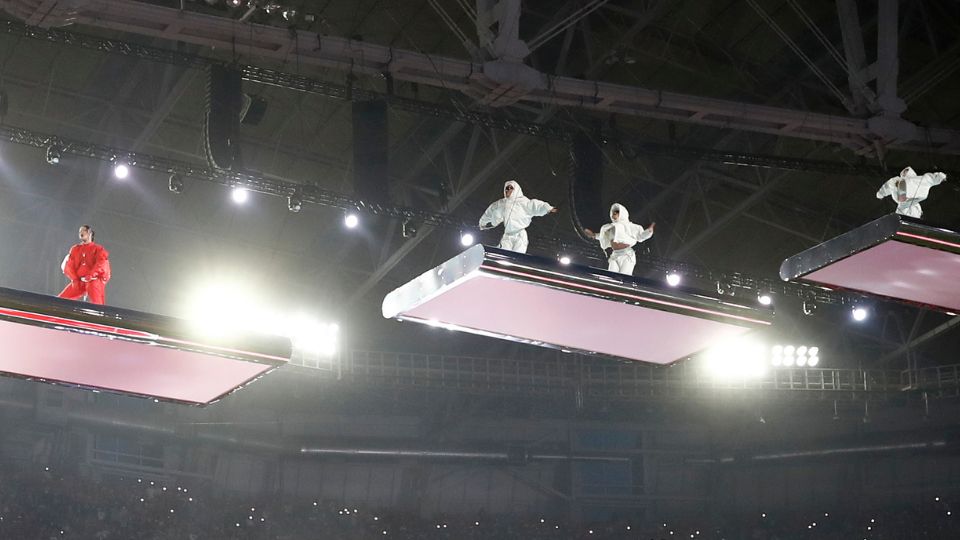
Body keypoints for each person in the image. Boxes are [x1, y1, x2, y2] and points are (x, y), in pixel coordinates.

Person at [478, 180, 557, 253]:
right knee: (504, 255)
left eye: (511, 188)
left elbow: (536, 205)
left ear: (516, 189)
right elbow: (489, 211)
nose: (508, 190)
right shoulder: (501, 203)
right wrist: (482, 223)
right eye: (507, 188)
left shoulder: (523, 201)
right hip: (507, 235)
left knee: (518, 255)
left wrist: (548, 208)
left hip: (520, 234)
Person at [583, 203, 655, 276]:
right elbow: (603, 236)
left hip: (626, 255)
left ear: (622, 213)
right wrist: (593, 235)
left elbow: (641, 236)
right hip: (615, 254)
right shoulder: (610, 227)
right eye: (613, 213)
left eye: (616, 213)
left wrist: (649, 231)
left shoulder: (630, 226)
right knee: (611, 276)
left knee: (624, 277)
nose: (614, 214)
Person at [58, 225, 111, 305]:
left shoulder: (98, 249)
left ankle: (98, 313)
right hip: (79, 281)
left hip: (93, 280)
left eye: (83, 231)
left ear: (89, 233)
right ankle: (55, 309)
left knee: (96, 297)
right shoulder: (75, 249)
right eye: (80, 231)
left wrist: (91, 275)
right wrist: (75, 279)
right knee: (62, 299)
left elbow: (101, 263)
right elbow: (69, 265)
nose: (80, 233)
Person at [876, 166, 947, 219]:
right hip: (908, 199)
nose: (905, 173)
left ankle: (904, 219)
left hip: (911, 199)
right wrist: (880, 194)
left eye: (906, 172)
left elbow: (931, 179)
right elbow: (888, 186)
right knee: (903, 207)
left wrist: (941, 176)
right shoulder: (897, 181)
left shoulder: (919, 180)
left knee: (904, 207)